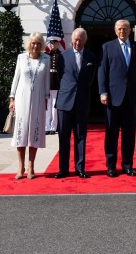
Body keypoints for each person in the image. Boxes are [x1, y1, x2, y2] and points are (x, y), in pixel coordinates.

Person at [97, 18, 136, 176]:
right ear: (115, 30)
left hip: (131, 97)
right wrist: (102, 92)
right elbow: (102, 71)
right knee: (111, 132)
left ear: (130, 31)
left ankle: (127, 164)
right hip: (112, 97)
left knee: (129, 133)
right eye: (119, 29)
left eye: (125, 29)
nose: (122, 31)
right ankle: (111, 166)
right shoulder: (107, 47)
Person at [9, 32, 52, 179]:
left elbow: (47, 81)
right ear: (29, 44)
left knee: (34, 131)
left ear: (42, 45)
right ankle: (20, 167)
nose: (35, 46)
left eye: (38, 43)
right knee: (22, 132)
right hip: (22, 98)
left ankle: (31, 166)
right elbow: (16, 77)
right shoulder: (21, 57)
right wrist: (12, 97)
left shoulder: (46, 58)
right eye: (33, 43)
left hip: (39, 98)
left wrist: (47, 98)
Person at [54, 27, 96, 179]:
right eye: (75, 39)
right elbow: (60, 77)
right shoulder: (62, 56)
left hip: (81, 102)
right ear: (72, 39)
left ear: (85, 40)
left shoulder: (91, 57)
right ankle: (63, 169)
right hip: (65, 102)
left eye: (81, 40)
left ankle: (80, 168)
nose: (78, 42)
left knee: (80, 137)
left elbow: (91, 79)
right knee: (63, 137)